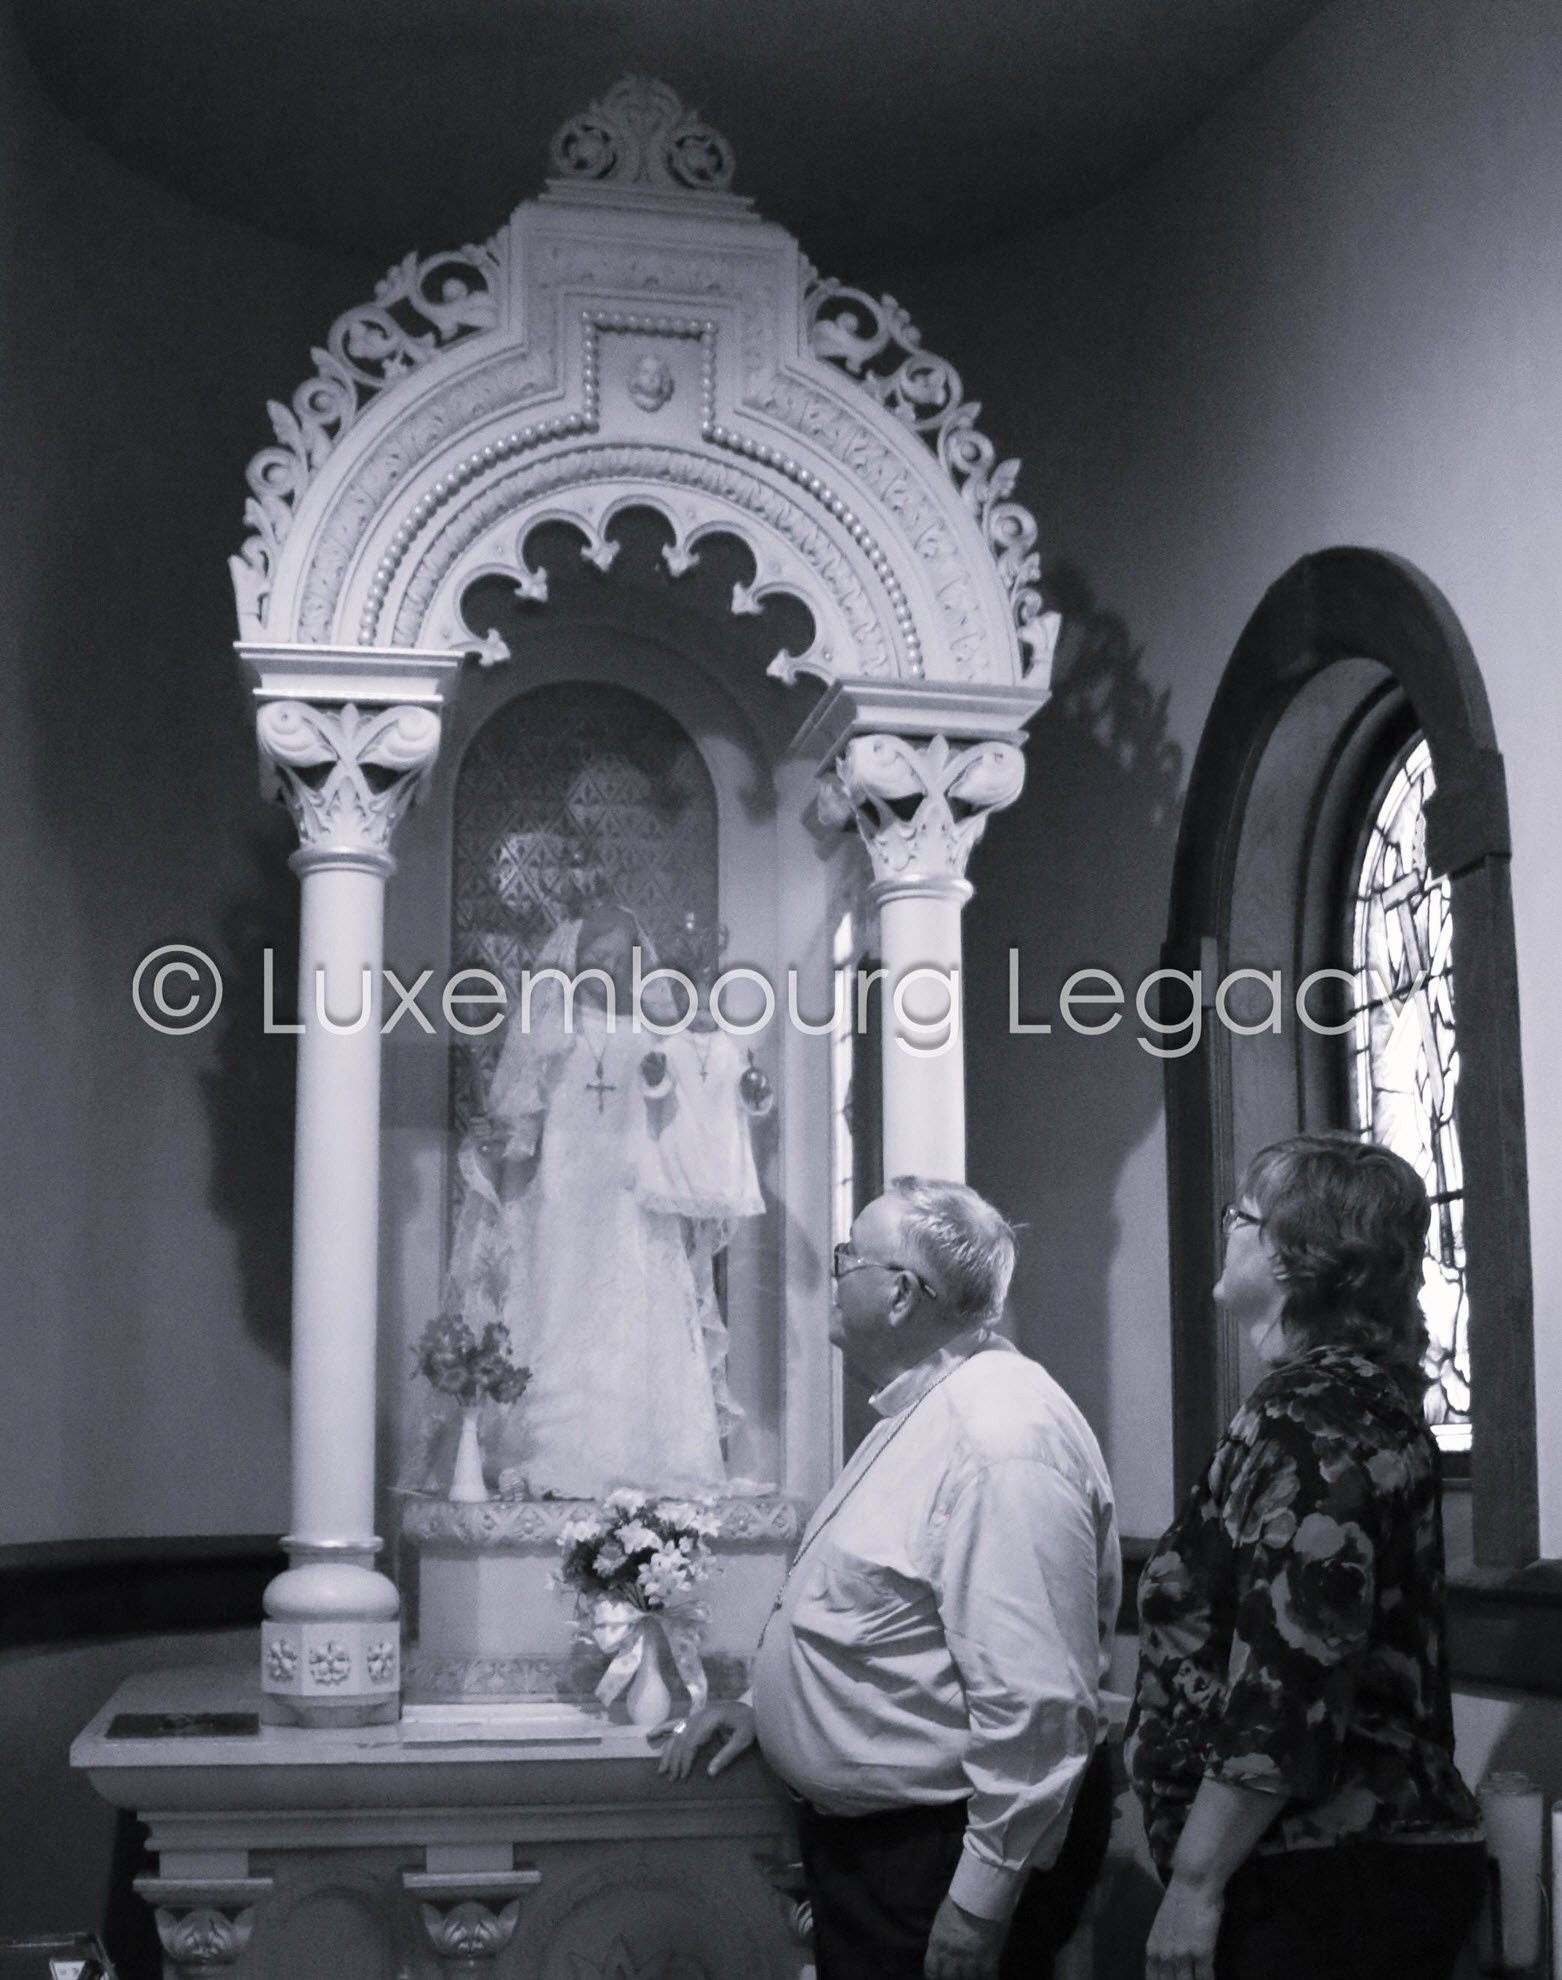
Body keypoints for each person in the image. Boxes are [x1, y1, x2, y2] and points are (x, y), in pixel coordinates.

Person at [658, 1176, 1122, 1980]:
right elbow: (884, 1620)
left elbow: (1037, 1703)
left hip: (939, 1857)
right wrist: (770, 1711)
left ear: (902, 1294)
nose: (835, 1275)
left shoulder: (1000, 1438)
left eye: (849, 1257)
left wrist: (980, 1901)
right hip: (889, 1852)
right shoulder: (924, 1410)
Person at [1127, 1132, 1485, 1980]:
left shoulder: (1312, 1420)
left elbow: (1289, 1676)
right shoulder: (1354, 1399)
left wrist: (1196, 1881)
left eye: (1241, 1216)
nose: (1227, 1229)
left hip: (1321, 1880)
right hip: (1342, 1866)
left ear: (1295, 1258)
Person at [439, 902, 735, 1498]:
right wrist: (499, 1139)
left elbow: (682, 1120)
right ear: (572, 960)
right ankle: (550, 1455)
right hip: (563, 1204)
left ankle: (642, 1459)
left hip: (636, 1205)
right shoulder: (551, 1033)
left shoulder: (657, 1036)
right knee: (559, 1322)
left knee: (639, 1323)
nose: (608, 967)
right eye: (597, 955)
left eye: (621, 956)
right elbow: (522, 1132)